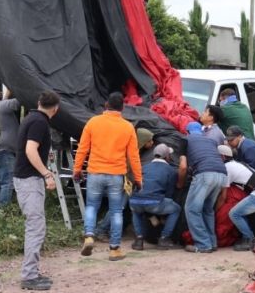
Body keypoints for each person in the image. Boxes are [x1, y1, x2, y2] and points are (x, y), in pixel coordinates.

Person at [74, 92, 142, 261]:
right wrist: (138, 179)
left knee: (91, 206)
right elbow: (133, 156)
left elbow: (82, 148)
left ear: (106, 105)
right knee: (116, 212)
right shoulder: (127, 127)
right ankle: (114, 248)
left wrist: (77, 170)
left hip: (95, 172)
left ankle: (89, 235)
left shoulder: (93, 122)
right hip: (116, 175)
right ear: (122, 108)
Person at [13, 91, 61, 291]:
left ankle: (31, 272)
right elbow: (30, 150)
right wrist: (47, 174)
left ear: (39, 102)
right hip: (29, 180)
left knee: (35, 226)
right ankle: (29, 276)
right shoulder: (40, 123)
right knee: (35, 227)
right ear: (55, 109)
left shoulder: (31, 118)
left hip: (25, 178)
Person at [94, 127, 154, 240]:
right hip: (122, 184)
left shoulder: (131, 149)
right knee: (117, 208)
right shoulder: (131, 153)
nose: (152, 143)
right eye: (149, 140)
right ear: (143, 140)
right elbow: (128, 170)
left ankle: (106, 230)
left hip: (123, 182)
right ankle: (101, 230)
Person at [218, 144, 255, 251]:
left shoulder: (227, 168)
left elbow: (223, 195)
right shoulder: (237, 163)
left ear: (222, 157)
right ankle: (248, 237)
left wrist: (215, 209)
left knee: (233, 213)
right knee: (239, 212)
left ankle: (249, 239)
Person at [182, 122, 228, 253]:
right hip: (222, 174)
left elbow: (183, 166)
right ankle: (212, 243)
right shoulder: (211, 140)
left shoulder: (186, 139)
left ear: (188, 132)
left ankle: (203, 244)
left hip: (204, 174)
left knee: (191, 209)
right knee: (208, 209)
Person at [129, 144, 180, 251]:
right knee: (176, 209)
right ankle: (164, 238)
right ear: (167, 157)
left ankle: (139, 240)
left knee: (136, 210)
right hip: (154, 202)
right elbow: (169, 194)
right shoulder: (171, 170)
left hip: (135, 200)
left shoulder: (144, 167)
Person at [0, 88, 20, 212]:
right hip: (5, 150)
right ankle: (4, 212)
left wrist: (7, 94)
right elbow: (20, 101)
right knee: (7, 182)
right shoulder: (3, 106)